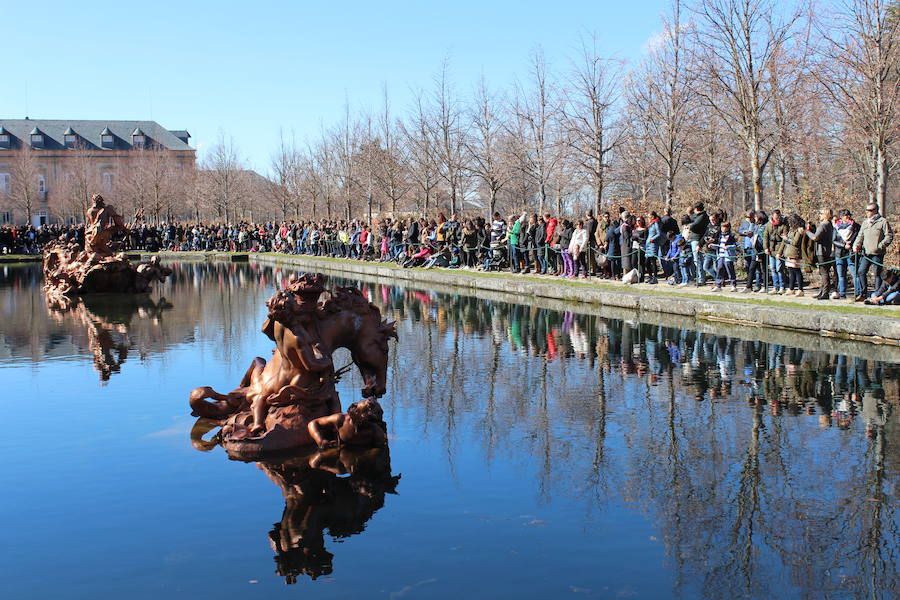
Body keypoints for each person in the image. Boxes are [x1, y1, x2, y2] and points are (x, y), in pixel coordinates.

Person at [852, 203, 894, 301]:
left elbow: (889, 236)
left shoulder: (883, 221)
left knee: (877, 274)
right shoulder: (865, 223)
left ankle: (876, 295)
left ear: (875, 210)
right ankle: (863, 294)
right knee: (861, 271)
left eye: (870, 210)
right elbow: (860, 236)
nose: (867, 212)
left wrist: (880, 245)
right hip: (866, 253)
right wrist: (856, 245)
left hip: (878, 254)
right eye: (866, 210)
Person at [307, 398, 387, 449]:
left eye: (377, 413)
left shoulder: (375, 431)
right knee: (314, 463)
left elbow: (378, 452)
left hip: (361, 457)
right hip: (341, 452)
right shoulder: (340, 420)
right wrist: (320, 440)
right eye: (365, 411)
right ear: (355, 411)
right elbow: (313, 423)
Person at [806, 208, 835, 299]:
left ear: (826, 214)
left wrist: (808, 232)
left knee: (824, 272)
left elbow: (815, 237)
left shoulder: (823, 225)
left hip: (822, 251)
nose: (820, 215)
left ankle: (825, 293)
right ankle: (822, 292)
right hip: (827, 251)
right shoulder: (830, 224)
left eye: (821, 213)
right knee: (824, 272)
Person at [832, 209, 860, 299]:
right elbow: (834, 240)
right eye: (845, 215)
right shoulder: (836, 227)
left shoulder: (855, 226)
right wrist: (844, 245)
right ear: (841, 217)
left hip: (851, 253)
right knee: (841, 274)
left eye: (849, 215)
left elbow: (859, 238)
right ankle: (842, 293)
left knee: (854, 273)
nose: (848, 217)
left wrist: (852, 245)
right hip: (839, 253)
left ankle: (858, 293)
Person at [763, 210, 789, 295]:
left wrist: (780, 252)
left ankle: (782, 287)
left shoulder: (784, 225)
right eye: (776, 217)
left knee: (779, 269)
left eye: (779, 217)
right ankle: (775, 287)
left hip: (779, 250)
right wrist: (766, 248)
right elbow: (765, 236)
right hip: (771, 250)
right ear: (773, 216)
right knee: (773, 269)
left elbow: (784, 240)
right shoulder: (769, 224)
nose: (778, 218)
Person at [711, 221, 738, 291]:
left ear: (728, 228)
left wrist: (729, 247)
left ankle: (733, 285)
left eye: (725, 227)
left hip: (728, 257)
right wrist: (712, 246)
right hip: (720, 255)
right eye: (722, 227)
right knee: (719, 269)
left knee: (730, 270)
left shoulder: (731, 236)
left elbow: (736, 246)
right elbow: (719, 246)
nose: (723, 229)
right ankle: (718, 285)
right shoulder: (720, 236)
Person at [688, 202, 710, 284]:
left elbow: (693, 226)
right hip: (693, 239)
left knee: (698, 260)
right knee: (695, 260)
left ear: (696, 209)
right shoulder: (697, 216)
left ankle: (701, 278)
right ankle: (699, 277)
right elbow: (690, 218)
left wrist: (690, 225)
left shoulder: (702, 216)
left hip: (697, 239)